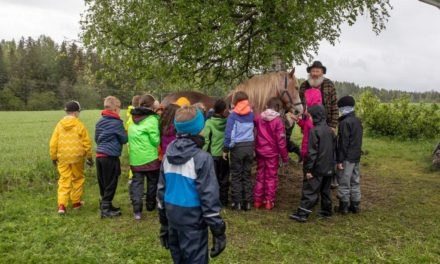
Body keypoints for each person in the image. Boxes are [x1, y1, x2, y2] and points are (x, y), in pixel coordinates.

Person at [157, 105, 226, 263]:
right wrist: (218, 231)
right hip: (193, 222)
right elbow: (209, 196)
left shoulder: (167, 155)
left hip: (173, 217)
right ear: (199, 129)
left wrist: (164, 224)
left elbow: (161, 192)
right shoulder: (202, 158)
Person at [289, 104, 336, 222]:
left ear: (315, 116)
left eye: (309, 116)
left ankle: (302, 213)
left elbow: (312, 153)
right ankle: (326, 211)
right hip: (329, 167)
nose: (308, 118)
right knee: (325, 191)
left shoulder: (314, 131)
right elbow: (334, 149)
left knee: (310, 189)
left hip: (317, 167)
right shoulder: (330, 130)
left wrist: (309, 170)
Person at [49, 100, 93, 215]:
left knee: (64, 180)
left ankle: (62, 206)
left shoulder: (59, 125)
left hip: (63, 157)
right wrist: (89, 157)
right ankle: (76, 203)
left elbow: (53, 143)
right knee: (77, 178)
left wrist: (54, 157)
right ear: (76, 112)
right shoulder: (79, 125)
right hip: (77, 158)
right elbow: (86, 142)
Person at [128, 94, 161, 220]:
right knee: (152, 182)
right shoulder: (152, 120)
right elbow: (155, 141)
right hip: (150, 158)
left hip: (136, 159)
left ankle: (137, 211)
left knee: (137, 184)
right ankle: (151, 205)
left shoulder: (132, 118)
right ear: (152, 106)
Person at [95, 96, 128, 218]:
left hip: (99, 156)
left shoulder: (99, 121)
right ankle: (105, 210)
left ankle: (106, 204)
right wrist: (126, 132)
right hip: (110, 157)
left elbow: (96, 139)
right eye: (119, 108)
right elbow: (124, 139)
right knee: (111, 182)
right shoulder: (117, 123)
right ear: (115, 108)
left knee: (103, 182)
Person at [253, 97, 288, 210]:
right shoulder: (278, 121)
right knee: (271, 177)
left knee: (260, 176)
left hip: (260, 152)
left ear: (267, 105)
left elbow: (251, 123)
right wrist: (285, 157)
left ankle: (258, 201)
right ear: (278, 107)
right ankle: (269, 201)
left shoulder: (259, 118)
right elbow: (281, 142)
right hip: (272, 154)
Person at [223, 91, 254, 211]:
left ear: (235, 101)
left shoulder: (233, 116)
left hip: (238, 148)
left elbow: (229, 134)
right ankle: (247, 202)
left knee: (236, 175)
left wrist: (226, 149)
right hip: (249, 147)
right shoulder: (251, 114)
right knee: (246, 175)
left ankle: (237, 203)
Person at [335, 96, 363, 214]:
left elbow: (343, 143)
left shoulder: (344, 123)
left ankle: (344, 207)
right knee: (355, 180)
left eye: (340, 108)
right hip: (356, 156)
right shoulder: (357, 121)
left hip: (346, 157)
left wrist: (340, 160)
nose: (340, 110)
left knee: (344, 180)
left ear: (344, 108)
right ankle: (355, 205)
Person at [203, 99, 230, 206]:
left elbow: (206, 140)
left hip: (212, 156)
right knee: (224, 178)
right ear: (224, 110)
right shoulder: (228, 122)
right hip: (224, 155)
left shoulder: (208, 123)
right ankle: (224, 200)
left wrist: (203, 154)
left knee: (213, 180)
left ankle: (214, 201)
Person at [299, 61, 339, 132]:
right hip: (308, 124)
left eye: (317, 71)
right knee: (308, 142)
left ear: (322, 72)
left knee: (325, 143)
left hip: (326, 125)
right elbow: (300, 105)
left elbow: (334, 105)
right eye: (313, 71)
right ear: (310, 72)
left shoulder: (329, 84)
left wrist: (333, 125)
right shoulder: (304, 86)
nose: (314, 74)